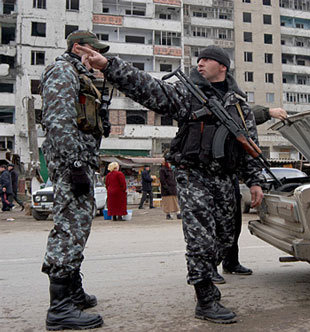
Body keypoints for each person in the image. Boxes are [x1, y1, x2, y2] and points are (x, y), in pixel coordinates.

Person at [79, 44, 265, 324]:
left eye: (207, 60)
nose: (200, 63)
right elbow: (149, 88)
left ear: (223, 67)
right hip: (194, 175)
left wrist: (254, 182)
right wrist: (109, 65)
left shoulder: (238, 103)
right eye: (198, 59)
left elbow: (250, 143)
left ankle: (209, 274)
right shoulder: (187, 94)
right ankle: (205, 297)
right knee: (199, 237)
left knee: (226, 237)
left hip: (225, 177)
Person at [39, 30, 109, 330]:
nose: (97, 57)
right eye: (94, 51)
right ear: (79, 48)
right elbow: (58, 120)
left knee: (79, 226)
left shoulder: (81, 75)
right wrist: (76, 163)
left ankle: (73, 291)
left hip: (78, 160)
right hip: (72, 162)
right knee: (69, 228)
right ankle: (60, 308)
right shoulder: (62, 70)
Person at [218, 106, 288, 280]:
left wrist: (267, 113)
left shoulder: (232, 99)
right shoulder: (198, 95)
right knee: (209, 225)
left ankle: (231, 262)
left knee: (233, 222)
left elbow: (241, 115)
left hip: (229, 173)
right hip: (202, 174)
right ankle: (207, 269)